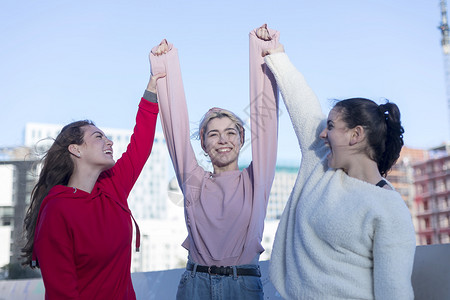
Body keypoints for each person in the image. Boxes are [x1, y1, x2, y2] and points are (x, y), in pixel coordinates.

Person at [262, 45, 416, 299]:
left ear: (356, 135)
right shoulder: (319, 162)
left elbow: (395, 292)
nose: (323, 133)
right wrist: (276, 54)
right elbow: (302, 101)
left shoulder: (389, 209)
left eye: (331, 126)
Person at [149, 24, 279, 299]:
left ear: (242, 139)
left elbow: (266, 122)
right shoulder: (194, 181)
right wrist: (165, 66)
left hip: (242, 286)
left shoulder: (256, 181)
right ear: (204, 144)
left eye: (231, 132)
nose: (223, 140)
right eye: (214, 134)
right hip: (195, 284)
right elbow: (175, 127)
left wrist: (262, 52)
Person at [21, 54, 165, 299]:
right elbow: (62, 292)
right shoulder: (57, 210)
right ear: (75, 149)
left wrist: (153, 86)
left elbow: (140, 144)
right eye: (98, 137)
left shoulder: (112, 186)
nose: (109, 142)